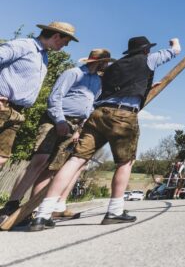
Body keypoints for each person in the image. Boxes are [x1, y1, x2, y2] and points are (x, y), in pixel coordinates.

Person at [29, 36, 181, 231]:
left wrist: (147, 87)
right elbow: (174, 51)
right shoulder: (147, 60)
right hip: (123, 115)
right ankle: (115, 211)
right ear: (145, 51)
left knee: (76, 159)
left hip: (98, 114)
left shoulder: (112, 68)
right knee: (125, 162)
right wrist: (174, 42)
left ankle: (42, 214)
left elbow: (120, 87)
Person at [0, 48, 112, 225]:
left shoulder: (97, 81)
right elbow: (55, 98)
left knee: (51, 167)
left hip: (75, 124)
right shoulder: (73, 73)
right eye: (106, 62)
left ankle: (30, 210)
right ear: (99, 61)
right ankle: (11, 204)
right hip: (55, 119)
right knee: (39, 160)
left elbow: (91, 106)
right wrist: (59, 121)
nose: (107, 65)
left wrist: (80, 129)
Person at [1, 22, 78, 169]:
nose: (66, 46)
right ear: (56, 36)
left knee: (2, 157)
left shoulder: (44, 57)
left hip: (16, 112)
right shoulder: (24, 45)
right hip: (3, 106)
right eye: (66, 42)